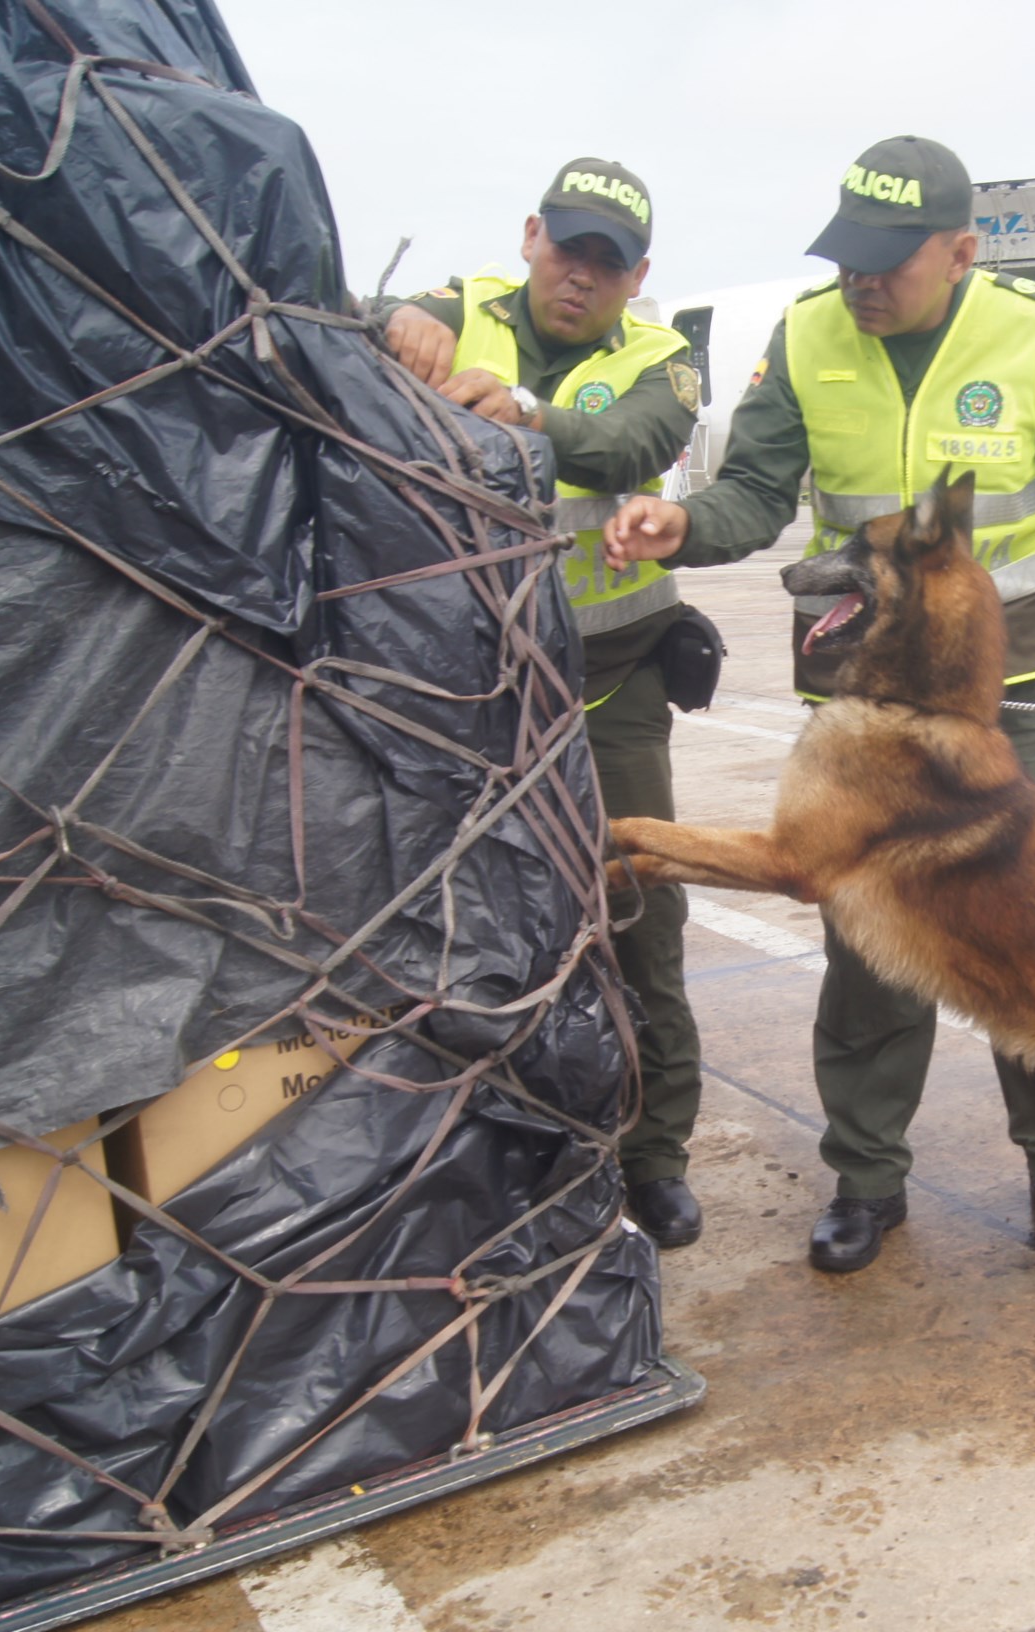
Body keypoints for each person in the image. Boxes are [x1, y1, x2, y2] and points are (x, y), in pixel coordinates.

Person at [603, 135, 1035, 1273]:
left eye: (888, 262)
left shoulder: (1030, 331)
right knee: (864, 943)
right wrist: (684, 527)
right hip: (860, 704)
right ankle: (866, 1178)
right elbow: (754, 491)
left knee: (1029, 941)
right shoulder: (806, 334)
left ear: (960, 251)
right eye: (848, 256)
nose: (861, 280)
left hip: (1004, 691)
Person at [375, 159, 711, 1250]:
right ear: (530, 237)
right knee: (478, 926)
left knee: (640, 913)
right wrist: (393, 324)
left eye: (607, 264)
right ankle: (513, 1150)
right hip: (468, 692)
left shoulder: (658, 356)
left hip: (610, 687)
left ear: (637, 276)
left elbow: (628, 447)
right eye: (568, 249)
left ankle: (653, 1157)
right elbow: (328, 317)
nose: (581, 277)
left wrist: (521, 413)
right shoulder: (457, 309)